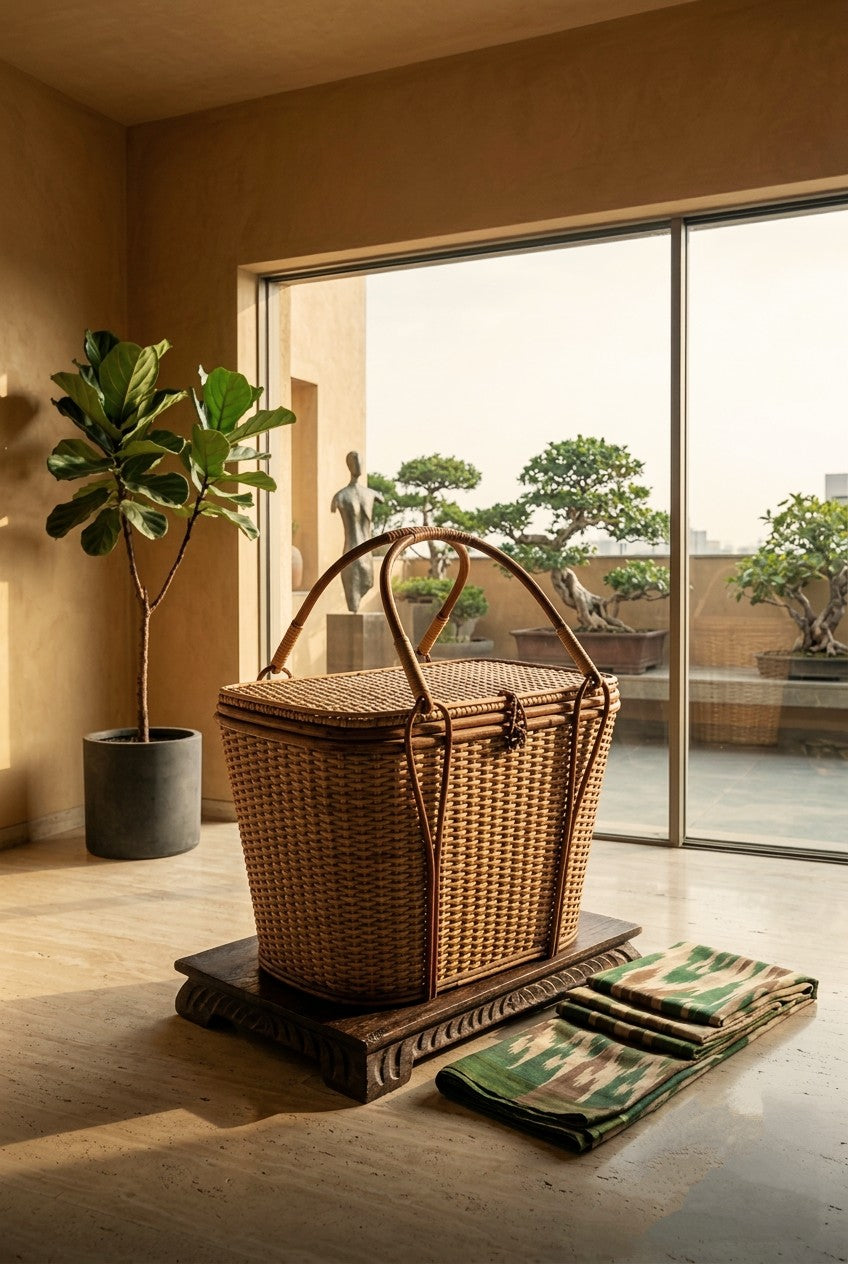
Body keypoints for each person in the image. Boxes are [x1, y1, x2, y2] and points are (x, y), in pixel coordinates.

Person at [330, 451, 383, 612]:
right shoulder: (340, 496)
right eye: (354, 462)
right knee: (353, 598)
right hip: (351, 550)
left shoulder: (371, 494)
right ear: (349, 466)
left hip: (366, 552)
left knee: (367, 582)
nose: (358, 465)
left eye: (360, 461)